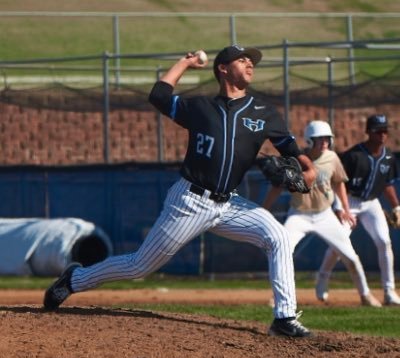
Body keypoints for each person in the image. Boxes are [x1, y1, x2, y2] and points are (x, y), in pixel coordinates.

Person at [43, 44, 316, 337]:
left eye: (252, 60)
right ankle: (74, 279)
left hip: (230, 206)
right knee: (139, 267)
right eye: (242, 59)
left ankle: (284, 319)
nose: (250, 63)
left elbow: (288, 146)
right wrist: (184, 63)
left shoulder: (264, 112)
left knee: (278, 237)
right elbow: (158, 96)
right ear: (223, 69)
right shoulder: (200, 108)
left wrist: (307, 168)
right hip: (190, 202)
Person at [263, 120, 382, 307]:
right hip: (299, 215)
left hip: (325, 215)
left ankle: (365, 295)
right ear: (309, 141)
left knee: (350, 257)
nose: (324, 142)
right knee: (283, 252)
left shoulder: (332, 158)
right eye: (319, 139)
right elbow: (278, 186)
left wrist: (345, 209)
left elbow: (339, 182)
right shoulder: (296, 160)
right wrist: (265, 209)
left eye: (327, 138)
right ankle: (277, 296)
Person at [316, 114, 400, 306]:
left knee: (384, 242)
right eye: (378, 130)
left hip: (371, 203)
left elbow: (387, 183)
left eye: (385, 130)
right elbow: (337, 183)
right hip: (350, 201)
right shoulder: (354, 155)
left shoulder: (389, 157)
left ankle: (389, 291)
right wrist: (340, 208)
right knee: (339, 244)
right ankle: (322, 278)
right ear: (368, 132)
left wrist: (396, 206)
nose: (382, 134)